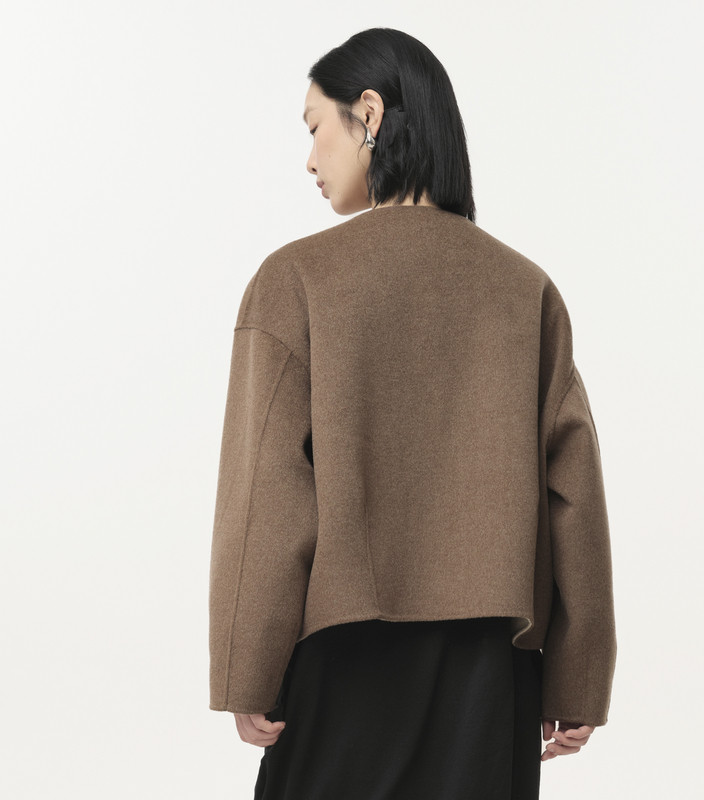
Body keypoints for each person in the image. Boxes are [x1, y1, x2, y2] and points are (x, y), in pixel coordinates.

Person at [208, 27, 617, 800]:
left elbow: (267, 493)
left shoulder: (296, 281)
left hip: (342, 662)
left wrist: (246, 664)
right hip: (493, 678)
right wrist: (578, 676)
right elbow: (575, 493)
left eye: (315, 128)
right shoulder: (524, 289)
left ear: (369, 112)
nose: (309, 159)